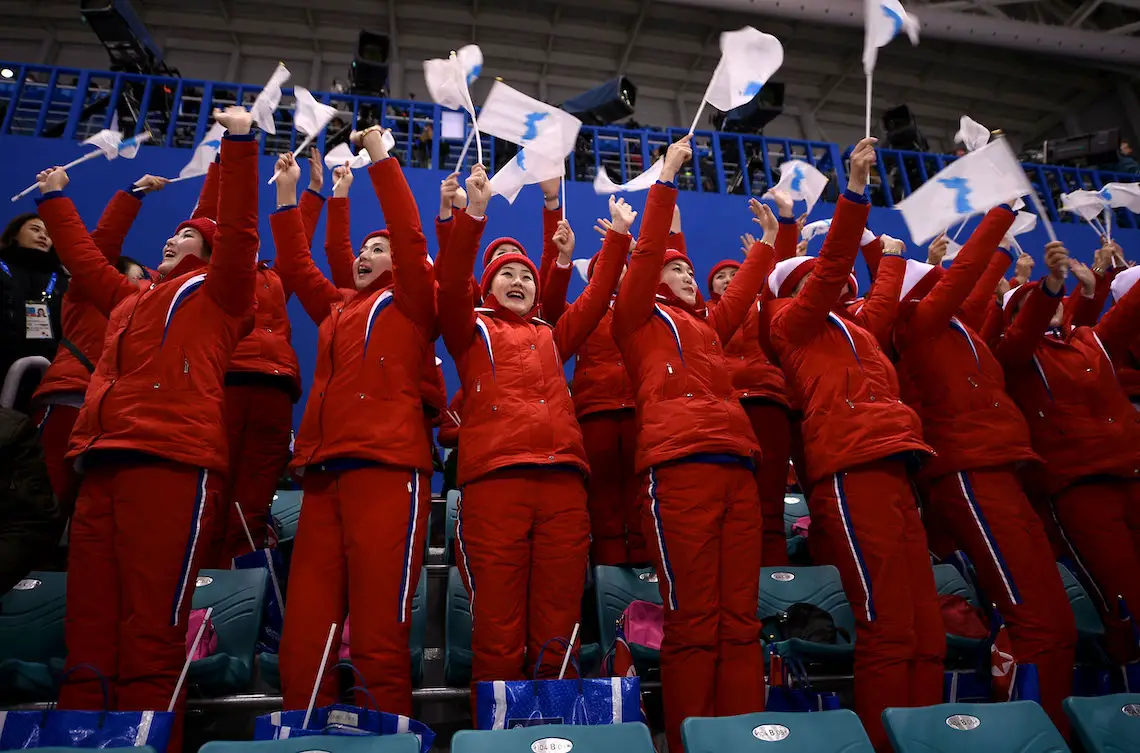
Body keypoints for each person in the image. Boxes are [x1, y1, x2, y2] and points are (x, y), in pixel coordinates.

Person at [33, 105, 259, 751]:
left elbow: (241, 229)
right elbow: (83, 260)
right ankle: (75, 742)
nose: (173, 238)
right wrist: (55, 202)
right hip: (100, 463)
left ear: (210, 253)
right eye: (171, 235)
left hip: (171, 463)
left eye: (188, 236)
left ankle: (144, 742)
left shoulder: (221, 296)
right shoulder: (131, 299)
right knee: (90, 628)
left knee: (150, 631)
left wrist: (240, 143)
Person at [762, 137, 943, 752]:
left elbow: (882, 294)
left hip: (896, 464)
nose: (831, 282)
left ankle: (928, 739)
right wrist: (856, 195)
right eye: (815, 277)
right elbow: (833, 267)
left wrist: (887, 255)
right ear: (796, 286)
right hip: (849, 470)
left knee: (926, 627)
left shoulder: (856, 328)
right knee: (890, 626)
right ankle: (886, 742)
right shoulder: (792, 323)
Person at [611, 134, 777, 753]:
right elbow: (651, 249)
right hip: (677, 472)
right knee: (694, 622)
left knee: (740, 623)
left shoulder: (707, 328)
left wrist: (769, 240)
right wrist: (668, 179)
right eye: (671, 267)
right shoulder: (633, 318)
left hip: (738, 468)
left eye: (688, 267)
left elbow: (742, 290)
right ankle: (690, 743)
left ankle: (744, 741)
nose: (682, 271)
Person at [438, 164, 631, 684]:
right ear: (487, 286)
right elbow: (450, 282)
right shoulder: (469, 328)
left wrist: (616, 238)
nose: (519, 280)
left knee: (560, 629)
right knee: (498, 630)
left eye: (527, 274)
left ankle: (554, 736)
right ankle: (499, 737)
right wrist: (473, 216)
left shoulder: (552, 333)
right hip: (495, 483)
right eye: (508, 274)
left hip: (565, 487)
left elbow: (593, 302)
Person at [890, 207, 1076, 732]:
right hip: (966, 472)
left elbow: (992, 299)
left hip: (1005, 466)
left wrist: (1049, 287)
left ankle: (1061, 728)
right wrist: (1001, 213)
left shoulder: (959, 330)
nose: (942, 286)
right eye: (931, 282)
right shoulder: (917, 325)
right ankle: (1040, 732)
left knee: (1058, 618)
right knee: (1033, 618)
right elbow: (967, 278)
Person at [273, 126, 434, 717]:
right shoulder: (339, 308)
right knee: (305, 636)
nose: (366, 254)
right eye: (363, 249)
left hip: (389, 472)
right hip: (321, 476)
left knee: (376, 632)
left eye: (378, 248)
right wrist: (292, 197)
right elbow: (294, 264)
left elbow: (412, 240)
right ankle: (304, 734)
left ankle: (384, 736)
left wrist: (382, 160)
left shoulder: (414, 303)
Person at [995, 241, 1140, 667]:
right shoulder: (1016, 356)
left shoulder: (1091, 341)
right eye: (1031, 304)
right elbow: (1023, 333)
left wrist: (1104, 280)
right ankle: (1129, 686)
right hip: (1079, 487)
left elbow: (1127, 315)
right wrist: (1051, 287)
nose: (1048, 305)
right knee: (1124, 595)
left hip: (1130, 473)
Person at [199, 149, 324, 566]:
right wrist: (222, 162)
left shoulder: (273, 278)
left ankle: (240, 588)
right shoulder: (213, 281)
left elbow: (296, 243)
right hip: (227, 384)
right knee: (211, 488)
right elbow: (207, 219)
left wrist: (312, 193)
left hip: (275, 391)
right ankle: (197, 581)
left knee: (251, 500)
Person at [30, 178, 166, 524]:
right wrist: (131, 195)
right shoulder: (88, 291)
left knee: (95, 512)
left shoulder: (152, 311)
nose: (143, 285)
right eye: (137, 277)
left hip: (116, 414)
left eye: (150, 280)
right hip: (71, 399)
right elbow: (101, 243)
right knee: (43, 497)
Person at [706, 190, 799, 566]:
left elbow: (787, 276)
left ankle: (777, 578)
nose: (729, 280)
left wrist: (783, 226)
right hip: (726, 409)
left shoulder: (763, 304)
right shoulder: (707, 316)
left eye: (735, 273)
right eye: (720, 277)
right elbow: (669, 279)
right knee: (732, 505)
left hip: (769, 403)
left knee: (770, 502)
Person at [0, 212, 68, 413]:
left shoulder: (63, 280)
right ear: (14, 235)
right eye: (35, 229)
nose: (43, 236)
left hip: (46, 373)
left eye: (48, 234)